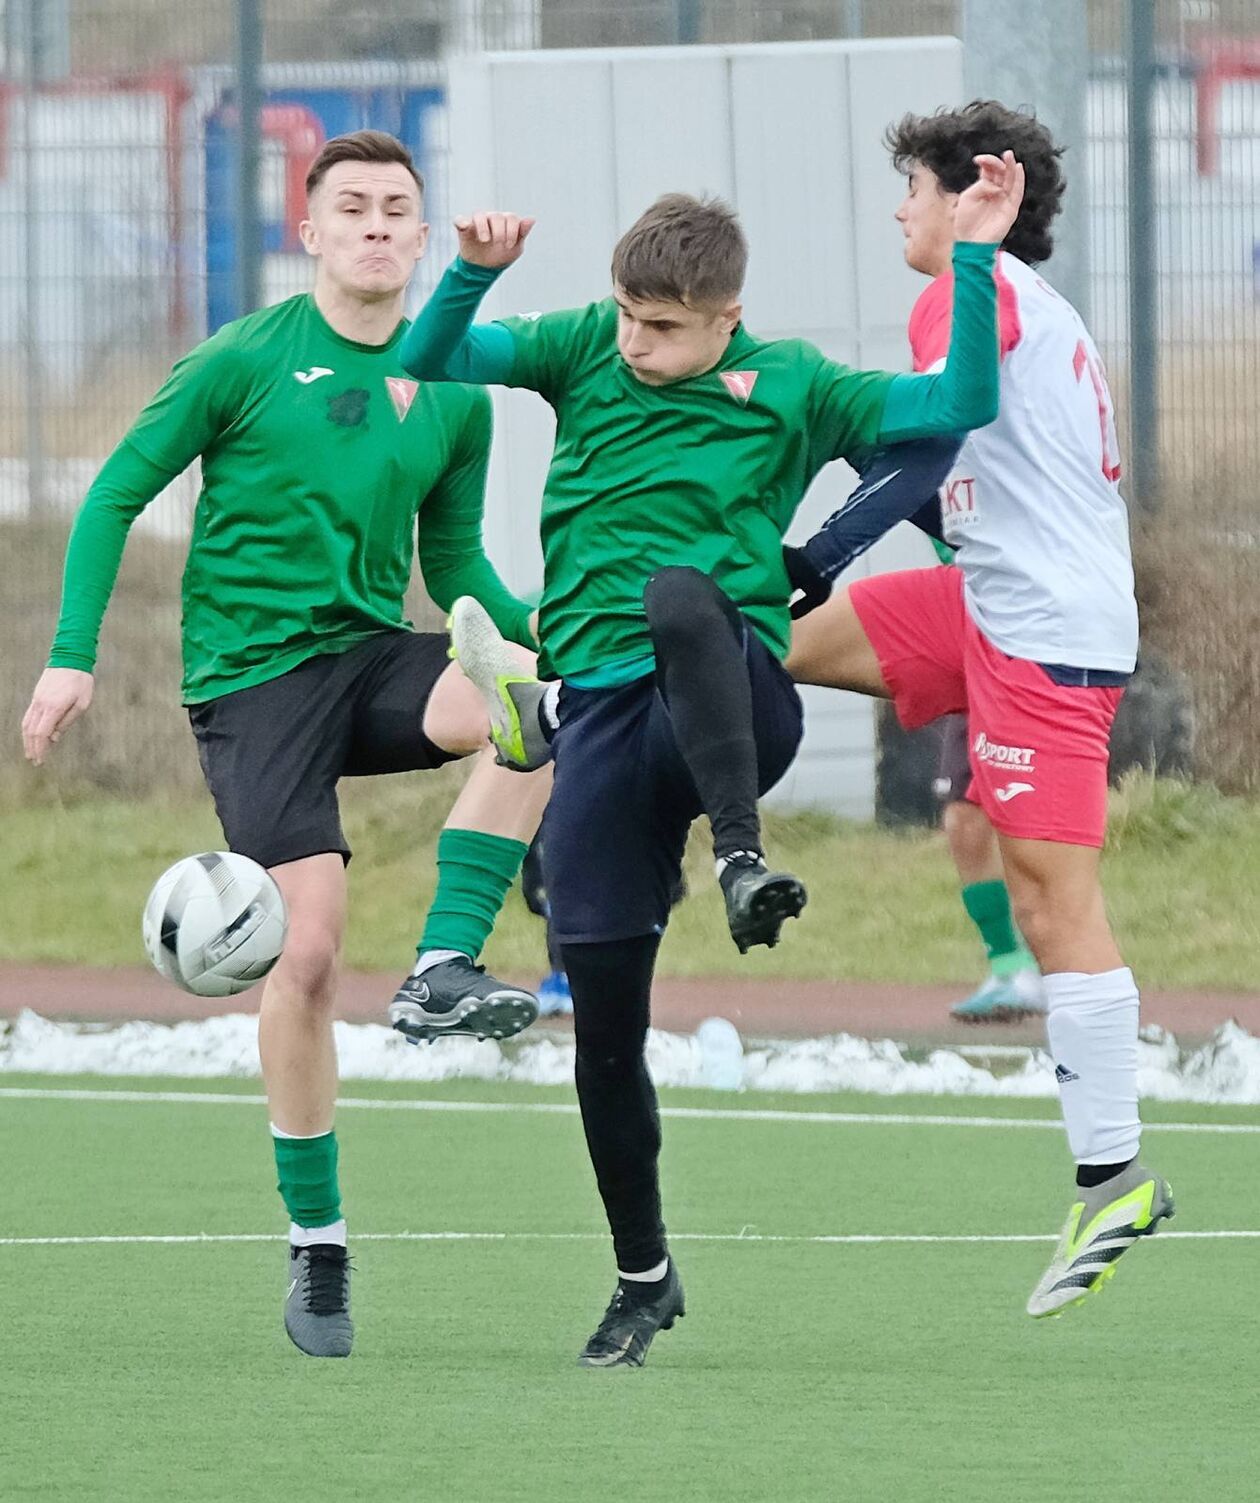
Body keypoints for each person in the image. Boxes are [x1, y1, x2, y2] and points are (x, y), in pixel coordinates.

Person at [403, 155, 1022, 1365]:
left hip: (736, 700)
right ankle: (643, 1277)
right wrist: (470, 276)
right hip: (607, 737)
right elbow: (436, 357)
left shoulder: (789, 379)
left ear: (727, 318)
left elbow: (955, 408)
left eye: (667, 328)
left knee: (684, 596)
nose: (639, 344)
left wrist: (978, 251)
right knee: (602, 1031)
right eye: (631, 318)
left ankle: (740, 859)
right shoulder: (586, 343)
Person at [20, 130, 552, 1359]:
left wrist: (563, 634)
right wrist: (71, 653)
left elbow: (457, 569)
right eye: (351, 208)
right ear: (308, 233)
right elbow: (112, 493)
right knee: (303, 962)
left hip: (371, 656)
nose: (375, 225)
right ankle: (318, 1245)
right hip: (252, 687)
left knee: (546, 704)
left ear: (424, 241)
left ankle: (442, 966)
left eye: (396, 210)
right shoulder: (244, 360)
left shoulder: (456, 388)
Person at [786, 101, 1173, 1319]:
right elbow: (947, 484)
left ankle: (1115, 1178)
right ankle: (568, 703)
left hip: (1043, 635)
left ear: (971, 198)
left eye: (912, 183)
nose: (898, 206)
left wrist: (823, 543)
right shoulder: (1011, 302)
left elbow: (930, 443)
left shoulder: (976, 288)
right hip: (991, 603)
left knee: (1052, 898)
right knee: (763, 636)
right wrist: (807, 554)